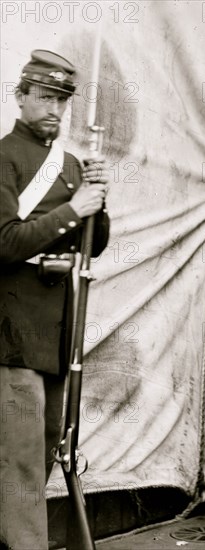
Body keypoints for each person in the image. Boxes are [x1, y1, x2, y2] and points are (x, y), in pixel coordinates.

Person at [0, 50, 110, 550]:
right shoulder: (4, 158)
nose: (53, 109)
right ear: (21, 97)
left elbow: (94, 244)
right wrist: (74, 207)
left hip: (57, 328)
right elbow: (5, 243)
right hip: (13, 326)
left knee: (45, 448)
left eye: (61, 100)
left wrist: (97, 203)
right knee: (20, 455)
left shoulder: (68, 164)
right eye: (44, 97)